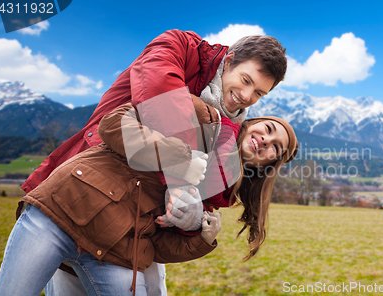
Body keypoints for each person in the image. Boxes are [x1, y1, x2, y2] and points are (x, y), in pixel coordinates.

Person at [19, 29, 287, 296]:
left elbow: (179, 210)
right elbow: (157, 96)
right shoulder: (181, 47)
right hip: (83, 191)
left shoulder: (227, 134)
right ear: (228, 61)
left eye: (259, 93)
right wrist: (181, 173)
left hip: (131, 226)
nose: (247, 95)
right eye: (245, 80)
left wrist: (196, 226)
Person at [0, 96, 298, 296]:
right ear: (252, 122)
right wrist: (178, 157)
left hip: (113, 252)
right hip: (61, 213)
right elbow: (114, 122)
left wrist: (198, 237)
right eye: (268, 128)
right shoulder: (203, 117)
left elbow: (156, 243)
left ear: (266, 164)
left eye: (275, 149)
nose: (266, 141)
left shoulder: (219, 193)